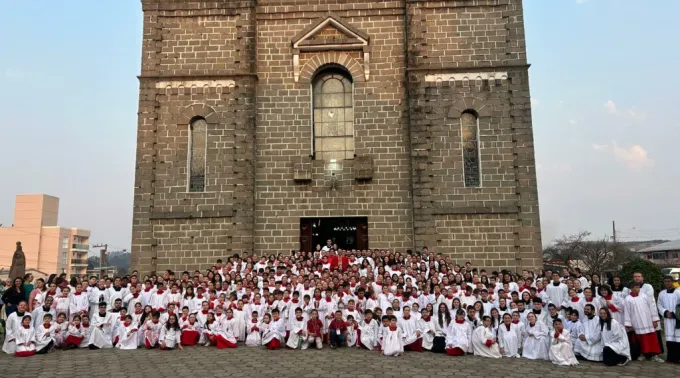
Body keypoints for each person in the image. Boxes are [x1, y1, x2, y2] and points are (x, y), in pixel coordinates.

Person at [624, 281, 663, 362]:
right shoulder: (628, 299)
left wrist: (655, 320)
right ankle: (643, 354)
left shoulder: (645, 296)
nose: (637, 289)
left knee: (652, 339)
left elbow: (652, 308)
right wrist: (628, 324)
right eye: (635, 287)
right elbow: (627, 312)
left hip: (648, 321)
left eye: (638, 287)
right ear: (631, 288)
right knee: (640, 340)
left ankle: (654, 355)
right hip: (637, 322)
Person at [657, 275, 680, 363]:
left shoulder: (678, 292)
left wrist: (674, 313)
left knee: (678, 339)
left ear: (672, 282)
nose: (667, 283)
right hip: (667, 319)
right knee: (669, 339)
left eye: (669, 281)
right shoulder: (662, 293)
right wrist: (665, 312)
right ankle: (670, 358)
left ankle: (678, 358)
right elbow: (659, 305)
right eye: (665, 281)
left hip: (677, 319)